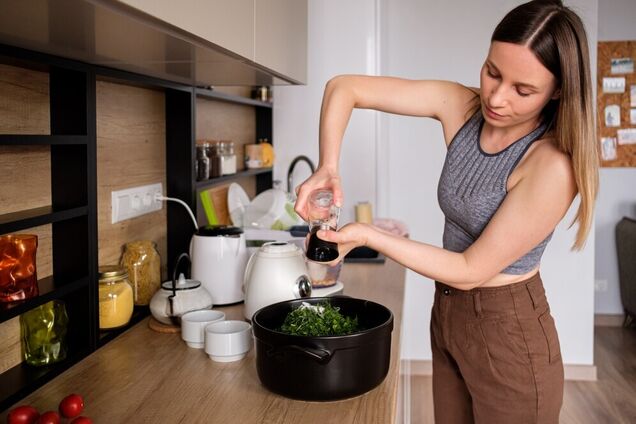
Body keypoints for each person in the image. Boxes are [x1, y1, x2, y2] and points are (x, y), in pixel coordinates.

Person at [293, 1, 598, 423]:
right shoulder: (463, 106)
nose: (496, 96)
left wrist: (367, 235)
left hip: (509, 332)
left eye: (522, 90)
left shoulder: (551, 165)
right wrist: (328, 166)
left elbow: (471, 268)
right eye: (492, 71)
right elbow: (344, 87)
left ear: (558, 90)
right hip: (449, 314)